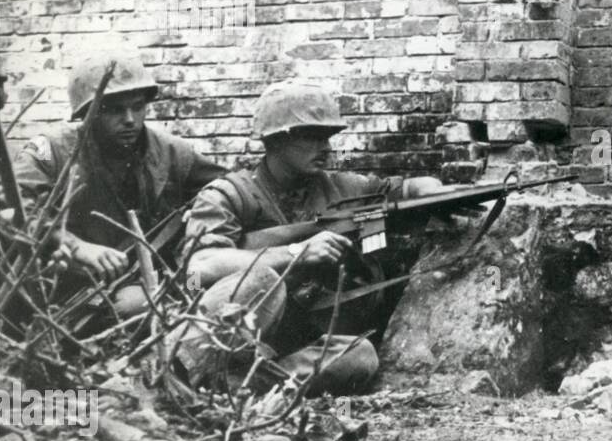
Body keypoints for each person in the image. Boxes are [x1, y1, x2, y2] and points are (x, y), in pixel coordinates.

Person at [177, 81, 445, 396]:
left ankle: (237, 386)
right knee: (262, 279)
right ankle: (179, 374)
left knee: (360, 356)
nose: (326, 147)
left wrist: (438, 193)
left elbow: (405, 190)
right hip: (235, 327)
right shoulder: (230, 194)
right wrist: (294, 254)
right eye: (311, 137)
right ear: (275, 140)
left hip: (290, 342)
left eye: (327, 137)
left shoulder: (343, 189)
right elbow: (200, 265)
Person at [12, 52, 225, 318]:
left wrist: (202, 220)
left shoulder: (172, 152)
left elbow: (226, 189)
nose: (129, 119)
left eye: (137, 106)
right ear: (86, 113)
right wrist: (75, 246)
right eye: (114, 109)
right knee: (132, 307)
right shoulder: (52, 151)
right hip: (67, 290)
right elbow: (9, 208)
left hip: (153, 278)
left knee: (200, 287)